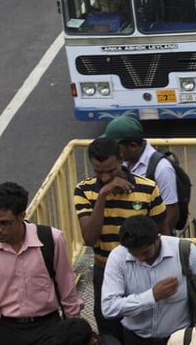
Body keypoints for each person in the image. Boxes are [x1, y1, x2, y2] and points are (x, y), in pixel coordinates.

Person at [74, 137, 167, 342]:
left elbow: (164, 233)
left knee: (144, 330)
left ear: (120, 159)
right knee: (110, 332)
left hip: (141, 271)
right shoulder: (84, 191)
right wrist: (102, 196)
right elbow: (89, 238)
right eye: (99, 172)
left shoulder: (147, 188)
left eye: (111, 170)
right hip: (105, 272)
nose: (106, 177)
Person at [0, 182, 83, 345]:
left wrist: (75, 327)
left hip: (48, 328)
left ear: (22, 215)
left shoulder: (51, 239)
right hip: (9, 330)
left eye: (4, 223)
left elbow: (66, 287)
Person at [102, 216, 196, 344]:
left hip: (179, 338)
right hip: (137, 338)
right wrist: (152, 296)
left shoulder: (185, 251)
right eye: (135, 255)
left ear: (158, 239)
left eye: (146, 252)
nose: (141, 258)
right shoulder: (117, 258)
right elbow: (109, 308)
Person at [106, 115, 179, 235]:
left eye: (116, 147)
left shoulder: (161, 168)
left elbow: (171, 212)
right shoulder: (121, 161)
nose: (111, 150)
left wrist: (152, 244)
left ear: (133, 146)